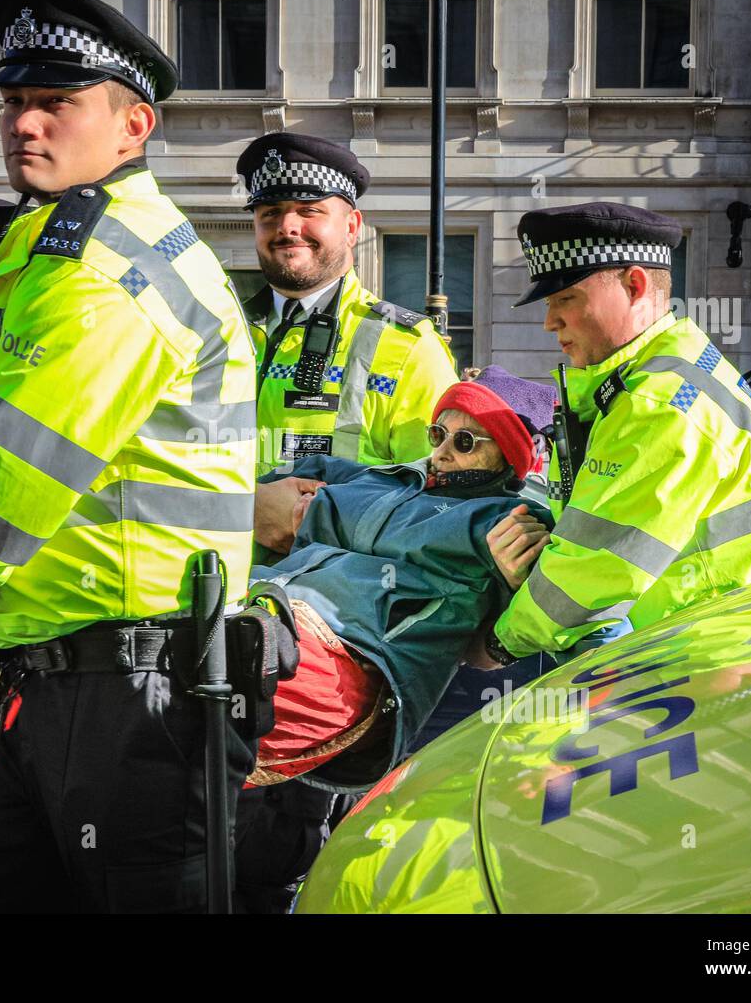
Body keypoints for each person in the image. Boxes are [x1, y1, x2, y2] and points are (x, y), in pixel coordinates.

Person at [0, 0, 258, 914]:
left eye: (59, 103)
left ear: (134, 124)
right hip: (55, 679)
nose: (26, 122)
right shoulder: (43, 241)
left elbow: (5, 481)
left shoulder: (106, 264)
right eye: (15, 102)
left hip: (129, 697)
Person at [233, 369, 556, 913]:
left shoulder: (503, 518)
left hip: (355, 654)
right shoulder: (377, 479)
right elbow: (259, 492)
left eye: (467, 441)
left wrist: (316, 515)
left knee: (191, 716)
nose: (444, 453)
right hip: (265, 613)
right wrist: (290, 509)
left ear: (508, 458)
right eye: (438, 434)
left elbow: (526, 618)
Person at [471, 202, 751, 672]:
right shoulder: (670, 367)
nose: (549, 321)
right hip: (738, 647)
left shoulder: (655, 402)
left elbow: (595, 575)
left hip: (714, 664)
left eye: (564, 299)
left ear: (634, 286)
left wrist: (496, 646)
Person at [237, 133, 459, 475]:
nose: (286, 226)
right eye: (270, 213)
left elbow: (435, 489)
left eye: (309, 210)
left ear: (352, 227)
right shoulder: (219, 330)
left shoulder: (409, 348)